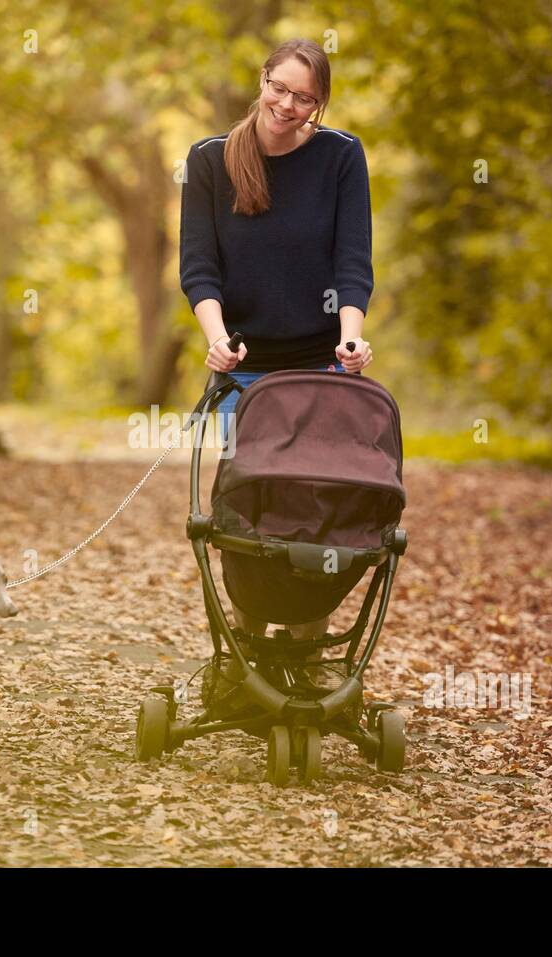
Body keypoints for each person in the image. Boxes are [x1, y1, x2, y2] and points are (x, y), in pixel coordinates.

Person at [178, 38, 376, 648]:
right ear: (262, 80)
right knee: (250, 508)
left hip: (321, 370)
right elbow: (199, 267)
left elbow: (352, 260)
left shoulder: (340, 156)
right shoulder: (210, 160)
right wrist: (217, 342)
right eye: (279, 88)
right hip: (245, 372)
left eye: (305, 98)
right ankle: (248, 644)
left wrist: (351, 340)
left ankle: (307, 645)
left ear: (319, 104)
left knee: (317, 505)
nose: (288, 106)